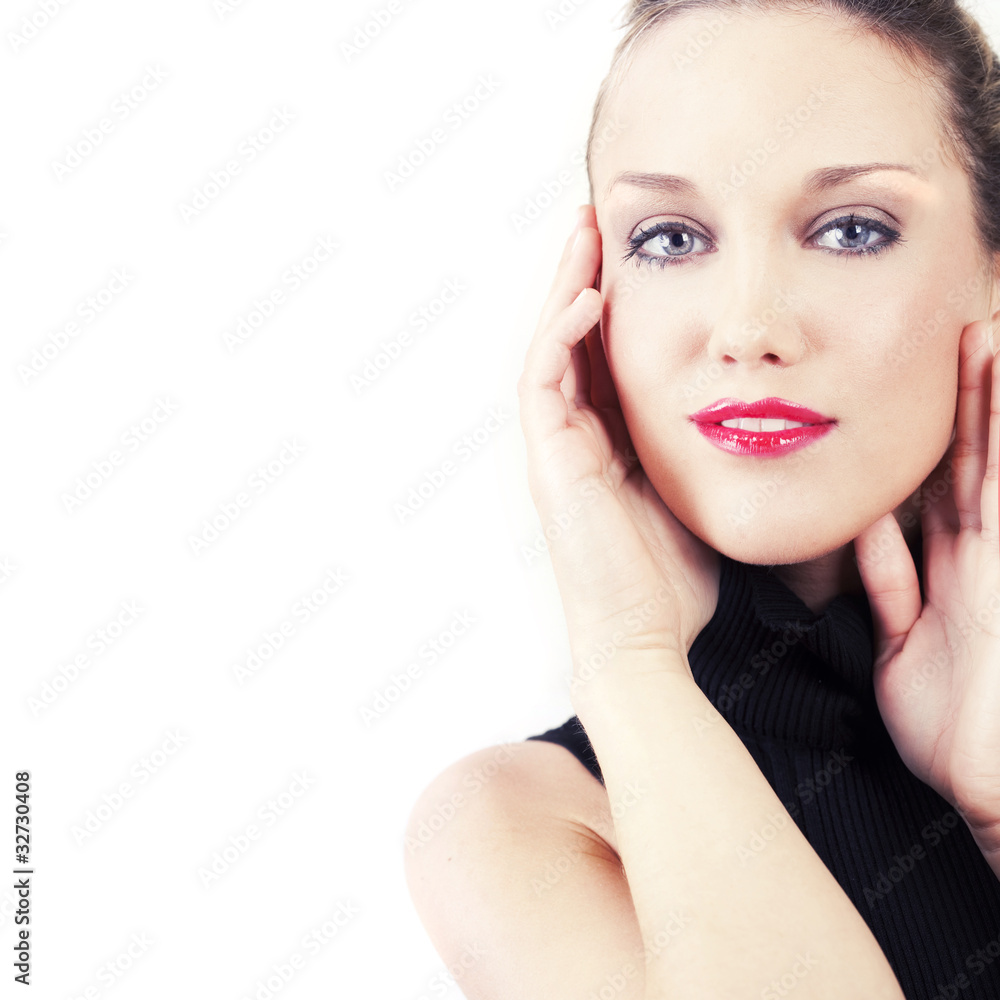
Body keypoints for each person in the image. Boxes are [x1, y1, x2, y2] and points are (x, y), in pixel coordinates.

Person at [403, 0, 1000, 996]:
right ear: (593, 300)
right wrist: (628, 658)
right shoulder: (522, 823)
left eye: (851, 228)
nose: (747, 325)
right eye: (672, 239)